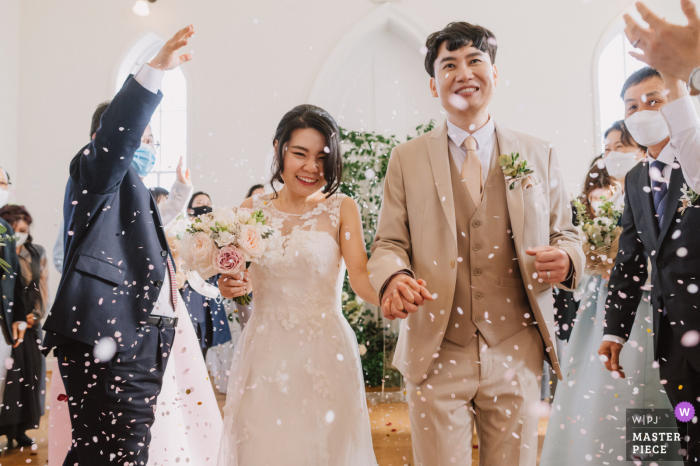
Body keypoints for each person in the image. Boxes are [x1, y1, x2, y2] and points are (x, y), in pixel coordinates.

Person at [367, 22, 584, 465]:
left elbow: (568, 233)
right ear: (434, 84)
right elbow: (389, 241)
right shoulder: (406, 158)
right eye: (449, 65)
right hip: (436, 345)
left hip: (516, 345)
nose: (463, 72)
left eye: (475, 61)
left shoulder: (537, 153)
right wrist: (394, 276)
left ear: (495, 74)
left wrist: (567, 258)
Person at [41, 26, 201, 466]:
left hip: (140, 334)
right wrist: (153, 73)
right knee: (115, 453)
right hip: (111, 333)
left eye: (150, 141)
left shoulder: (133, 192)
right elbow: (117, 141)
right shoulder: (95, 172)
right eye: (142, 139)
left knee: (115, 450)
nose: (146, 147)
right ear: (109, 139)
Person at [216, 104, 379, 465]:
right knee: (262, 449)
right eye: (300, 154)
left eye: (322, 158)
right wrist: (229, 284)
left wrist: (391, 294)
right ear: (278, 150)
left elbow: (361, 276)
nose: (311, 167)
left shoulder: (341, 208)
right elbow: (235, 276)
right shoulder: (251, 209)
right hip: (265, 352)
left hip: (324, 352)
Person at [540, 126, 674, 464]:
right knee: (595, 386)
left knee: (642, 385)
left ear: (641, 149)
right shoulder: (606, 198)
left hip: (644, 306)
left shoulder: (657, 188)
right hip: (601, 305)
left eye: (621, 145)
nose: (612, 153)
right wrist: (595, 257)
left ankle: (648, 456)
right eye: (608, 147)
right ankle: (595, 451)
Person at [599, 66, 700, 463]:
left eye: (654, 101)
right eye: (632, 105)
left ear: (677, 104)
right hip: (671, 338)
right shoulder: (636, 177)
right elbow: (630, 260)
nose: (643, 111)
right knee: (689, 435)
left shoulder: (697, 163)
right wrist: (615, 331)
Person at [0, 205, 49, 448]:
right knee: (10, 380)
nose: (20, 233)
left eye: (23, 230)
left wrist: (34, 316)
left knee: (31, 376)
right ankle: (6, 428)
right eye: (15, 230)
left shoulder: (36, 252)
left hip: (31, 324)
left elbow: (43, 286)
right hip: (7, 328)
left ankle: (21, 429)